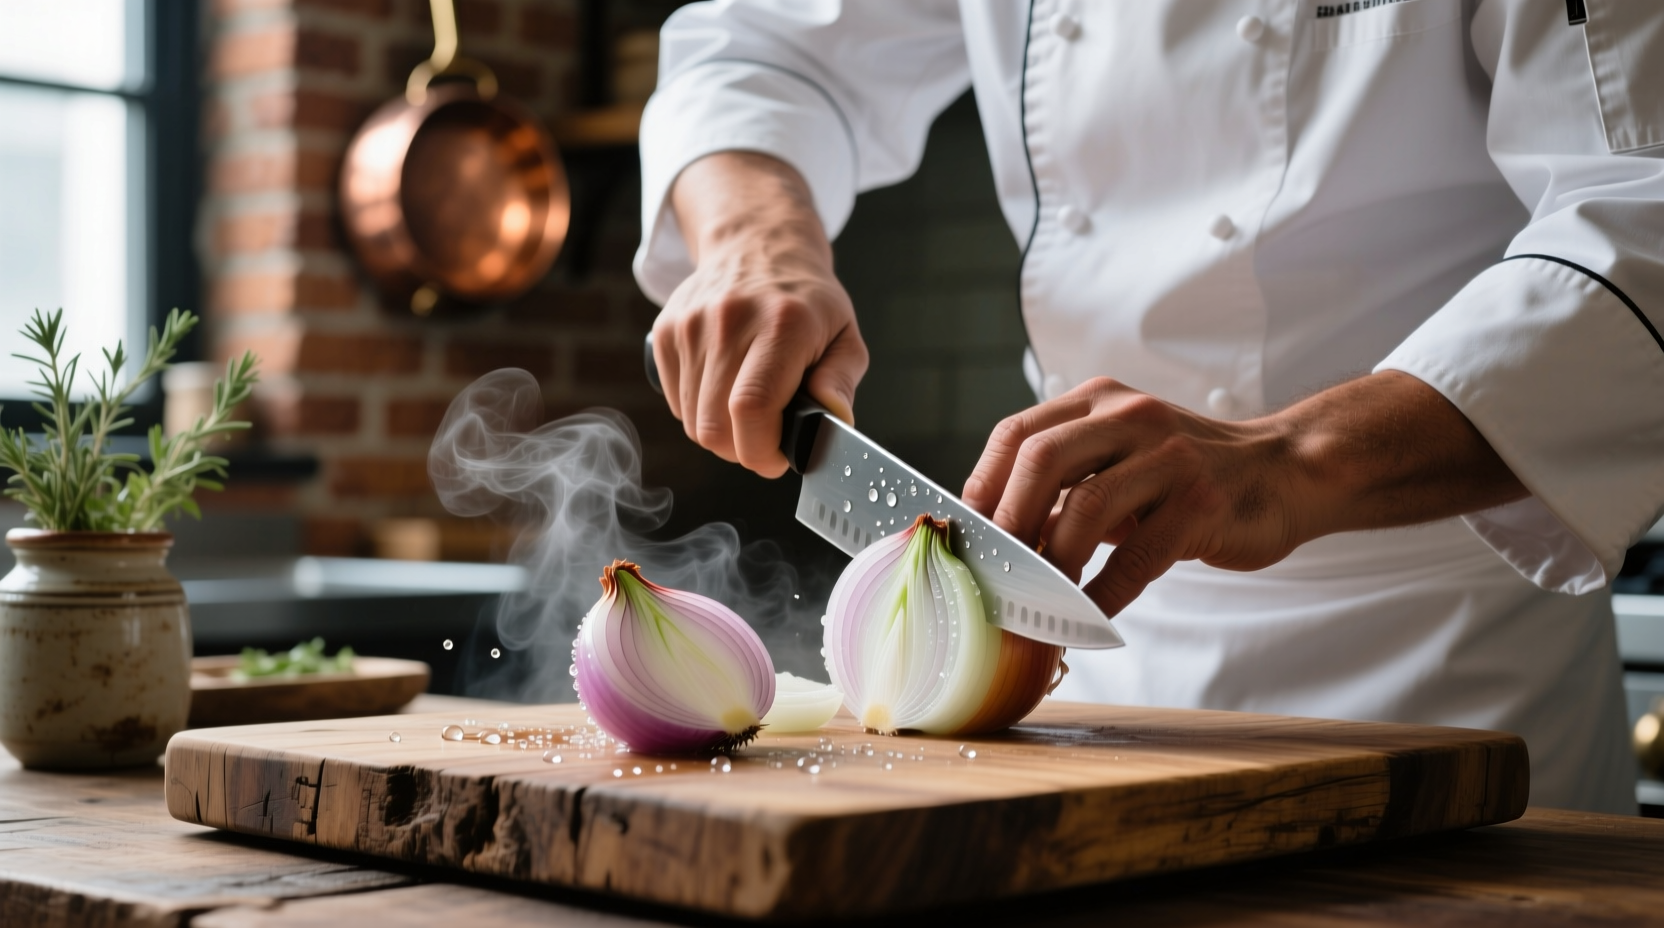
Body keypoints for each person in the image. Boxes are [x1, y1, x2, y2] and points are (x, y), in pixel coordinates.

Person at [632, 1, 1664, 813]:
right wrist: (751, 243)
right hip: (1091, 651)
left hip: (1448, 671)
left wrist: (1293, 454)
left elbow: (1638, 209)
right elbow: (764, 50)